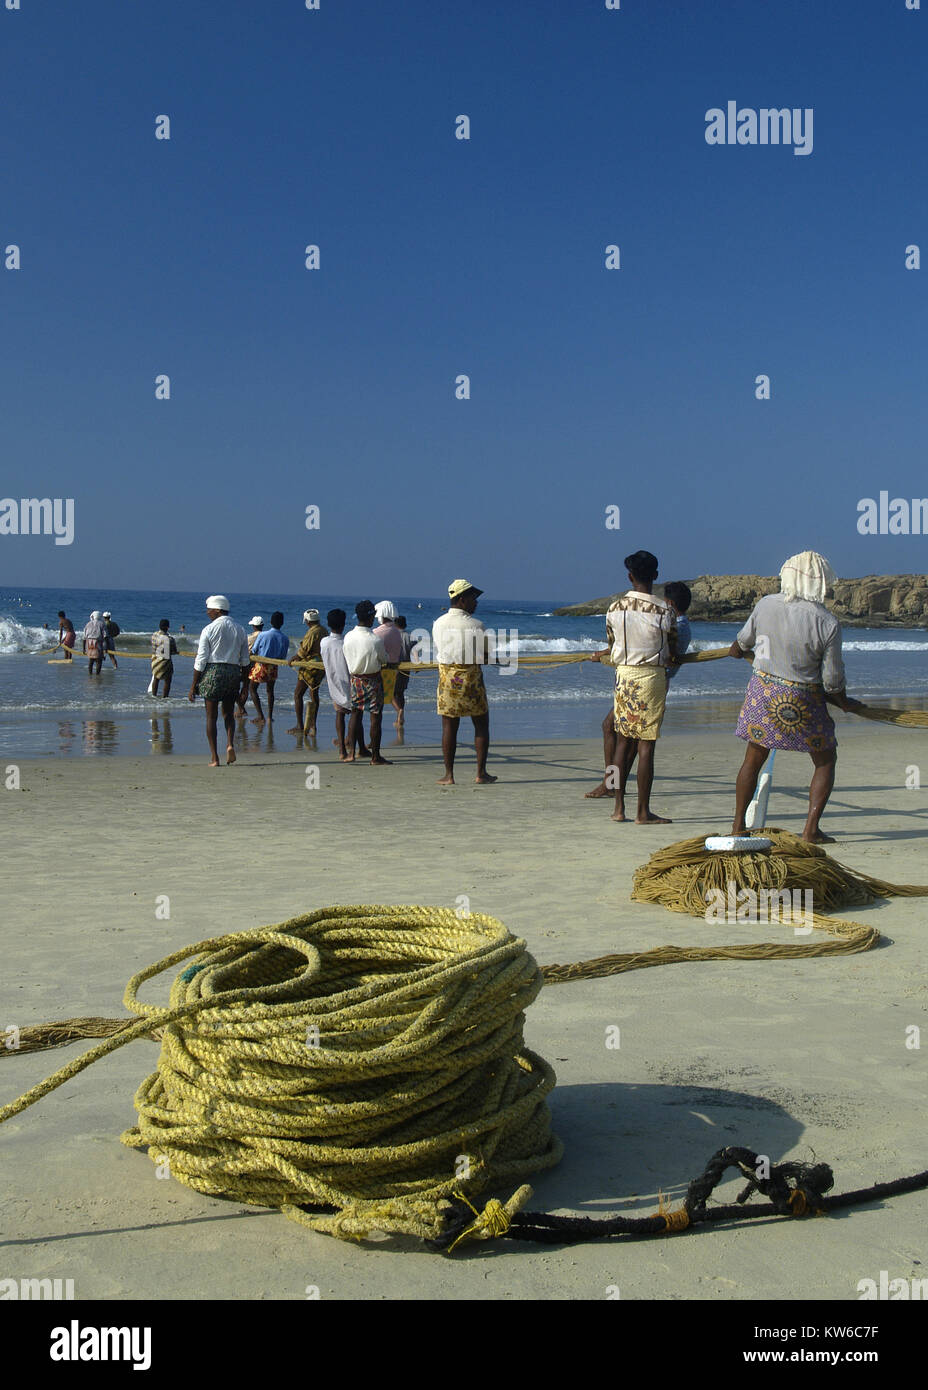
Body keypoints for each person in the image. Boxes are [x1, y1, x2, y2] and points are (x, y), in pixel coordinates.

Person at [730, 551, 865, 844]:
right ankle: (810, 829)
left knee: (753, 758)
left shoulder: (766, 605)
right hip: (803, 700)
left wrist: (742, 652)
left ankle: (738, 826)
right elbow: (831, 680)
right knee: (825, 760)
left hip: (763, 695)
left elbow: (742, 643)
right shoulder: (827, 623)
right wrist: (844, 702)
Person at [590, 550, 677, 824]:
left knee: (622, 740)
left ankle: (618, 808)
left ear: (630, 576)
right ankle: (643, 811)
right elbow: (671, 648)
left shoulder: (614, 608)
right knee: (646, 745)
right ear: (656, 576)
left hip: (623, 677)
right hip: (651, 678)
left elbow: (613, 642)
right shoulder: (665, 610)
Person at [432, 579, 496, 785]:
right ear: (461, 600)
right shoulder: (477, 625)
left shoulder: (438, 623)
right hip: (471, 681)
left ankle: (449, 775)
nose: (476, 602)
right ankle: (481, 773)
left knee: (449, 727)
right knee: (481, 724)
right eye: (472, 598)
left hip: (448, 681)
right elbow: (486, 654)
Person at [188, 595, 250, 767]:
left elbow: (201, 660)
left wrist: (193, 686)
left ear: (217, 610)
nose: (207, 613)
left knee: (211, 716)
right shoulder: (240, 629)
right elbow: (245, 660)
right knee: (228, 714)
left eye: (209, 610)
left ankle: (215, 758)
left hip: (213, 672)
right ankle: (230, 744)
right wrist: (246, 686)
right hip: (233, 673)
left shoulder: (208, 629)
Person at [343, 600, 391, 765]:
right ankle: (375, 756)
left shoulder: (348, 636)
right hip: (372, 680)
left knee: (355, 715)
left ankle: (351, 753)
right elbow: (384, 659)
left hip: (355, 679)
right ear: (371, 617)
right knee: (375, 718)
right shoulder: (374, 640)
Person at [319, 609, 358, 760]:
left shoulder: (324, 642)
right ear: (343, 625)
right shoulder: (346, 643)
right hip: (349, 681)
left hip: (333, 682)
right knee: (356, 716)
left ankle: (342, 749)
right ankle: (354, 747)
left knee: (339, 714)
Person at [288, 609, 327, 736]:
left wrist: (294, 658)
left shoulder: (312, 632)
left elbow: (303, 651)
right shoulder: (323, 630)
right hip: (321, 665)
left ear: (307, 621)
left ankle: (300, 725)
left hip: (310, 666)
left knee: (298, 694)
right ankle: (313, 726)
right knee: (314, 693)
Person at [250, 611, 289, 724]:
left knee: (252, 689)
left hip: (261, 665)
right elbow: (282, 657)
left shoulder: (263, 635)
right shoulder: (285, 638)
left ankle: (260, 716)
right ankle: (269, 716)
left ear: (271, 622)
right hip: (273, 667)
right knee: (270, 691)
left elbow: (254, 650)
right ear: (282, 623)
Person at [374, 600, 405, 723]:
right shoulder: (396, 632)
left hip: (380, 669)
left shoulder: (377, 632)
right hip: (393, 669)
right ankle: (399, 710)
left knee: (377, 703)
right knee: (389, 693)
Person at [393, 616, 418, 725]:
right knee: (400, 692)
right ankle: (400, 719)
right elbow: (415, 652)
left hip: (394, 668)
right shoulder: (411, 637)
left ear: (395, 625)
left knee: (390, 694)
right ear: (405, 624)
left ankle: (399, 711)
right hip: (406, 668)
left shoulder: (392, 636)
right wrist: (416, 665)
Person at [150, 618, 178, 698]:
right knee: (168, 680)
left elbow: (154, 646)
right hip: (164, 661)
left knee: (156, 678)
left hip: (155, 660)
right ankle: (165, 698)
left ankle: (154, 696)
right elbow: (173, 651)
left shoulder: (154, 635)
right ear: (167, 627)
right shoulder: (170, 639)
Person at [82, 611, 107, 675]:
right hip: (97, 642)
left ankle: (90, 674)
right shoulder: (102, 624)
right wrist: (105, 648)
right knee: (99, 660)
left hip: (89, 643)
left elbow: (84, 637)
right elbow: (105, 636)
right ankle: (97, 675)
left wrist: (84, 649)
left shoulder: (88, 624)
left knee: (91, 660)